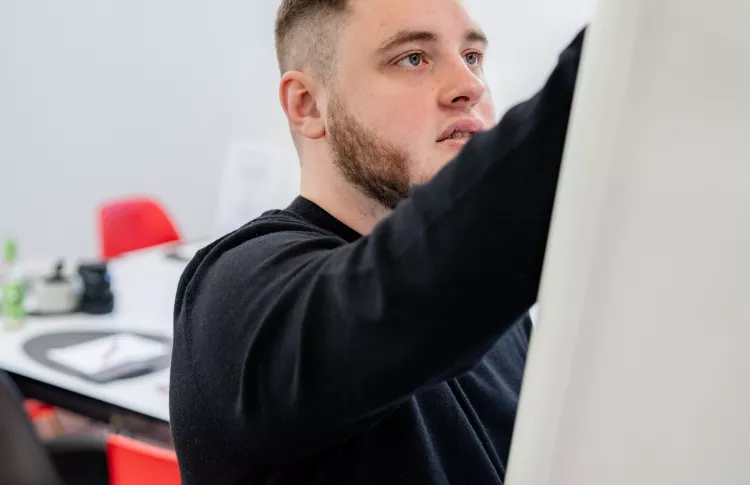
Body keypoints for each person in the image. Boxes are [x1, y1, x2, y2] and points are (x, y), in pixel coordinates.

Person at [169, 0, 585, 482]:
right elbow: (402, 287)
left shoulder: (491, 300)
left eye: (472, 56)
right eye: (413, 58)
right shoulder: (233, 295)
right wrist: (614, 64)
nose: (470, 86)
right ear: (307, 105)